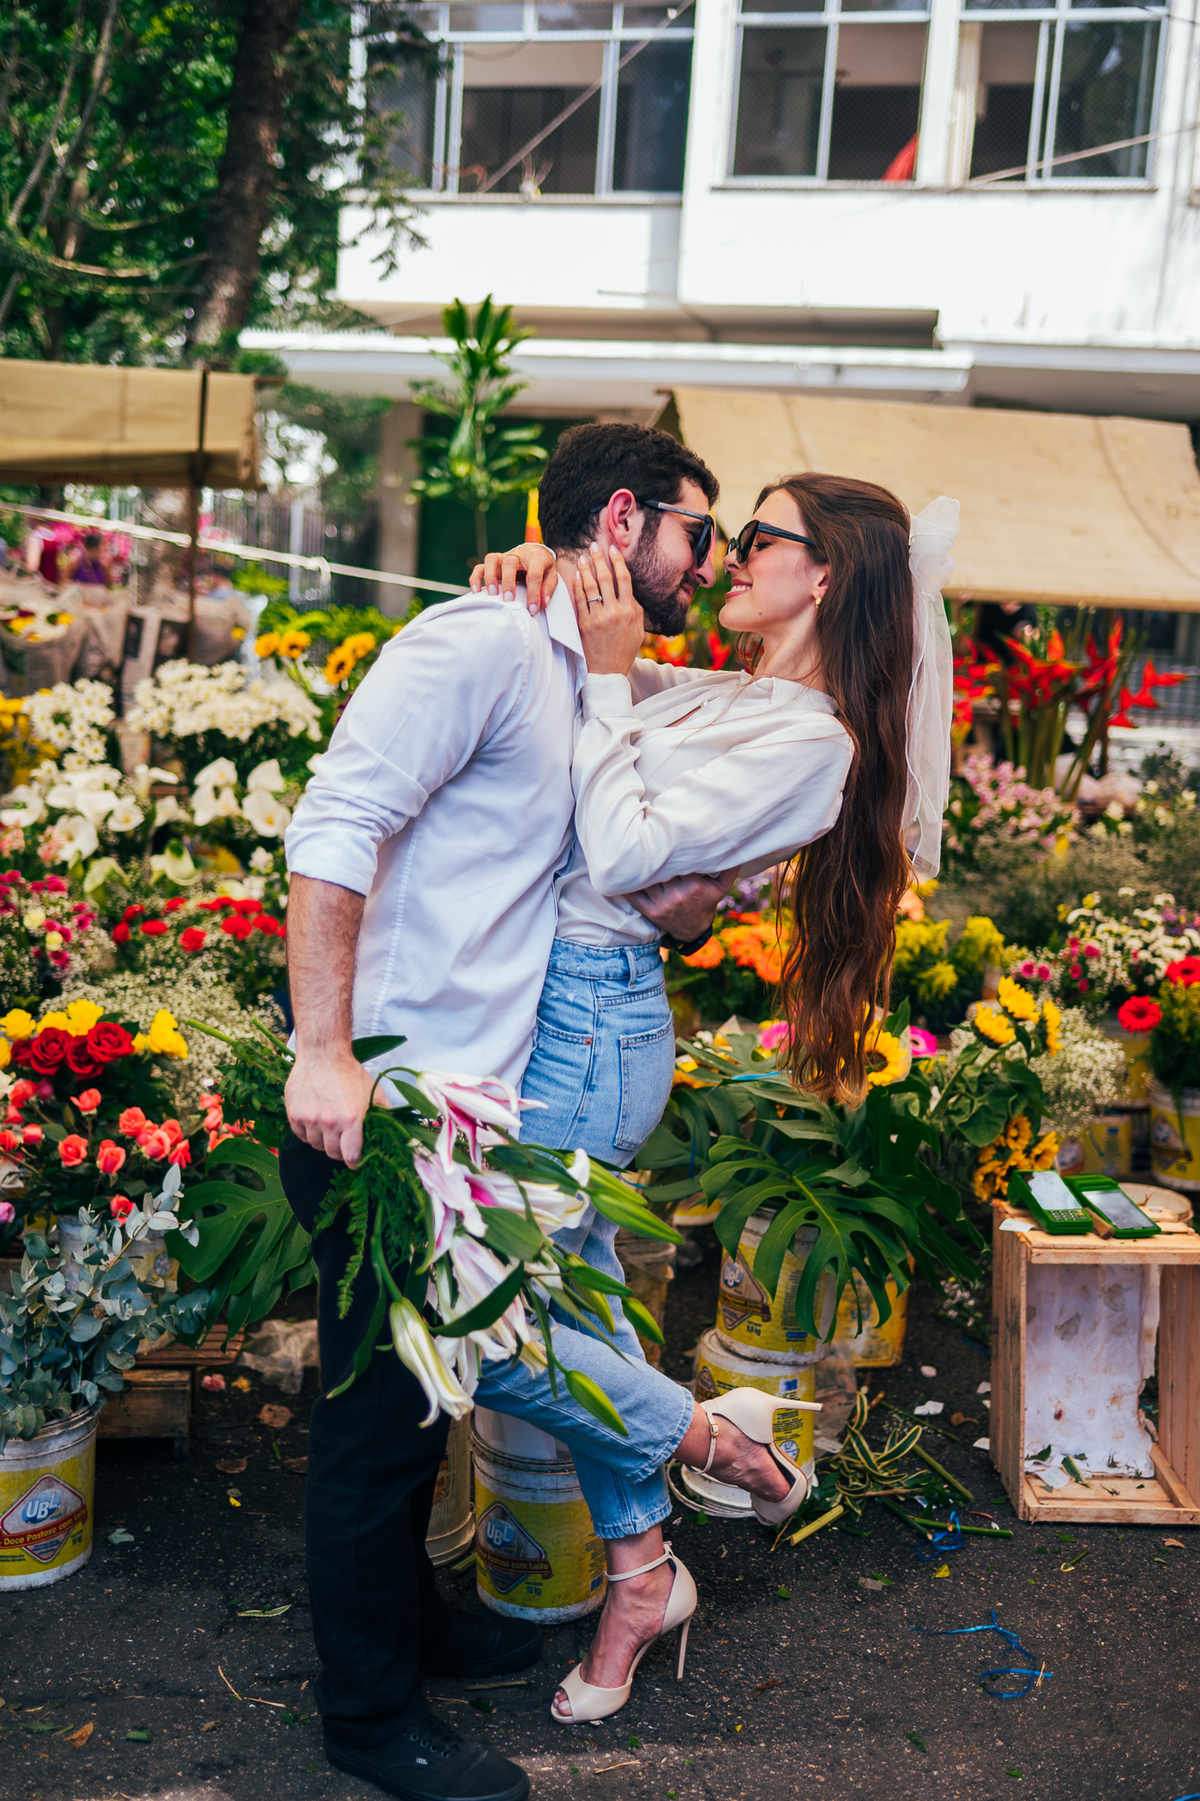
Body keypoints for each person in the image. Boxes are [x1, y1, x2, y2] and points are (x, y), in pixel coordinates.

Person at [280, 423, 734, 1801]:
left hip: (475, 1103)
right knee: (375, 1426)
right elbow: (334, 823)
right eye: (697, 532)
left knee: (428, 1400)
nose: (707, 563)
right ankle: (371, 1722)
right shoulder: (476, 644)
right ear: (623, 521)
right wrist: (323, 1053)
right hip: (382, 1097)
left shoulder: (587, 668)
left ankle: (412, 1630)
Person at [469, 470, 956, 1725]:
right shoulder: (741, 695)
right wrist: (541, 572)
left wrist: (611, 681)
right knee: (577, 1307)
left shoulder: (815, 744)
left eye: (757, 537)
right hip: (560, 1008)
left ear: (825, 572)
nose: (730, 555)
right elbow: (589, 667)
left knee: (476, 1325)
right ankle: (641, 1575)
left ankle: (718, 1441)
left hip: (590, 1028)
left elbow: (626, 848)